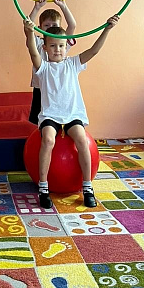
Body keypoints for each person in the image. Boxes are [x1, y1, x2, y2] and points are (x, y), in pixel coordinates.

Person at [23, 14, 120, 209]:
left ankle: (87, 187)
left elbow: (93, 51)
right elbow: (32, 52)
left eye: (61, 46)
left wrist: (107, 29)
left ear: (66, 46)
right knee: (48, 140)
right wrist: (29, 33)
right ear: (45, 48)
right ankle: (43, 187)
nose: (57, 49)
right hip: (50, 115)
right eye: (52, 46)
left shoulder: (73, 63)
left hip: (72, 115)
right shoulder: (43, 68)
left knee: (82, 140)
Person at [27, 0, 76, 125]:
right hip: (41, 87)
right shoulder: (38, 42)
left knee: (59, 117)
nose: (50, 28)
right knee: (39, 119)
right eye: (46, 25)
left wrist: (63, 6)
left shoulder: (62, 43)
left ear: (60, 27)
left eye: (54, 25)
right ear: (39, 27)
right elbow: (28, 27)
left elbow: (72, 25)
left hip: (59, 88)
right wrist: (36, 8)